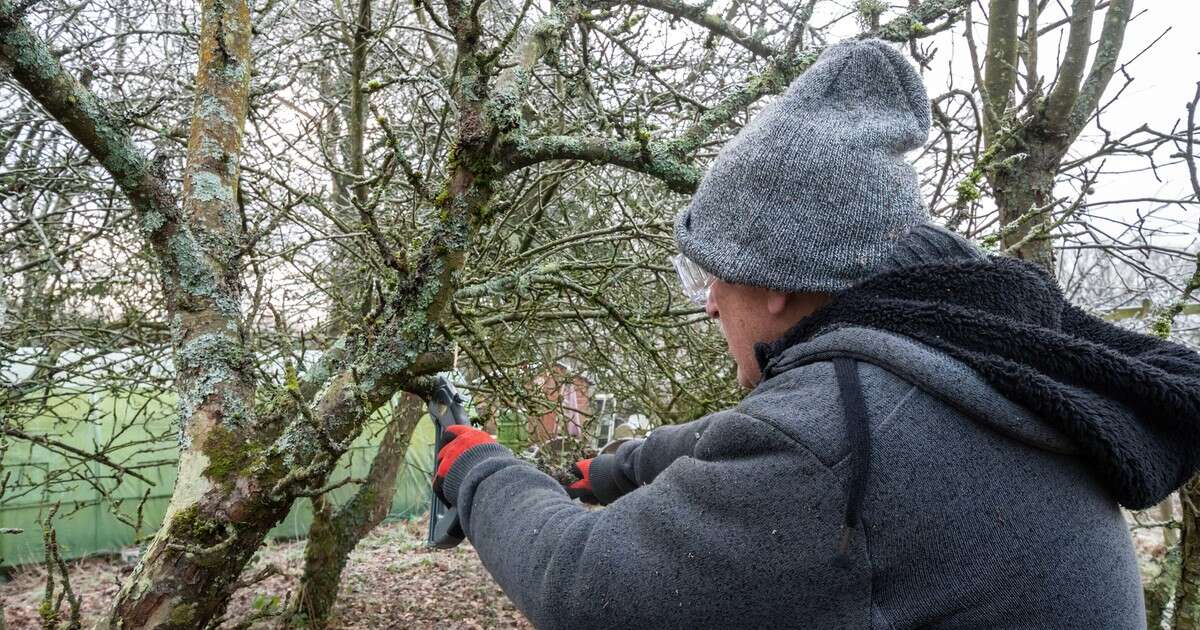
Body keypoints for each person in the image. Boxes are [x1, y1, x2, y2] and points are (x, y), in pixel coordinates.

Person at [430, 39, 1200, 629]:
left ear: (772, 281)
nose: (706, 308)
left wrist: (480, 470)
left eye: (709, 279)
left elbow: (581, 588)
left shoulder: (840, 435)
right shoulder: (963, 352)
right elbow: (743, 438)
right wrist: (612, 469)